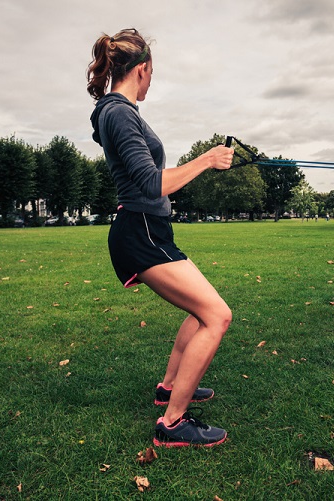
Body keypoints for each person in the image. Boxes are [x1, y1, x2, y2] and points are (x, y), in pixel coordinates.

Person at [87, 29, 234, 448]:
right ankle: (172, 423)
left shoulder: (119, 111)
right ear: (143, 68)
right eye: (153, 73)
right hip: (141, 230)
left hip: (151, 230)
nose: (153, 81)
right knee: (216, 316)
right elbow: (152, 184)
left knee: (201, 309)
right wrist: (206, 159)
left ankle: (169, 388)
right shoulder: (118, 113)